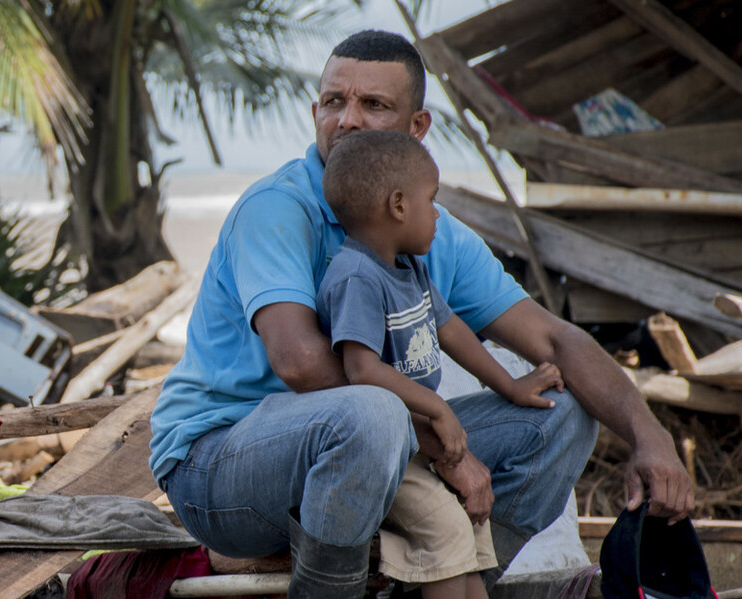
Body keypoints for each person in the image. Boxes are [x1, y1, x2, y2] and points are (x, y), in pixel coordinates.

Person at [147, 29, 697, 599]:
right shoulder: (278, 208)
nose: (348, 120)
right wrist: (439, 440)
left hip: (373, 451)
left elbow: (554, 341)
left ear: (418, 129)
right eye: (335, 102)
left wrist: (648, 436)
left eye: (374, 105)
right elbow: (301, 364)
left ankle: (444, 583)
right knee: (372, 413)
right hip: (218, 464)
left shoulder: (426, 230)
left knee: (560, 412)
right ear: (315, 112)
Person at [313, 129, 564, 599]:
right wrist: (439, 408)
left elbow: (450, 331)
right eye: (432, 201)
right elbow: (361, 370)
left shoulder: (409, 266)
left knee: (472, 534)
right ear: (399, 206)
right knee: (447, 532)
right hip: (386, 449)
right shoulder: (356, 276)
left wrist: (510, 386)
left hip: (421, 437)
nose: (437, 215)